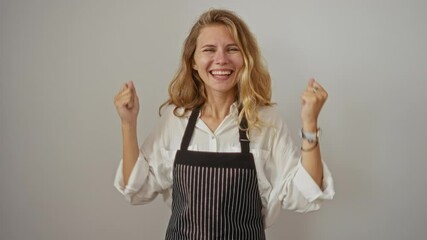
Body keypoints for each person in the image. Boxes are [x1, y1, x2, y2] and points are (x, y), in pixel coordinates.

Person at [114, 8, 334, 239]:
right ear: (194, 62)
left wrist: (310, 124)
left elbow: (305, 192)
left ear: (245, 59)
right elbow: (136, 189)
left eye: (232, 49)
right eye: (209, 49)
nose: (221, 59)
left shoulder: (266, 120)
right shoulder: (175, 119)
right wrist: (128, 124)